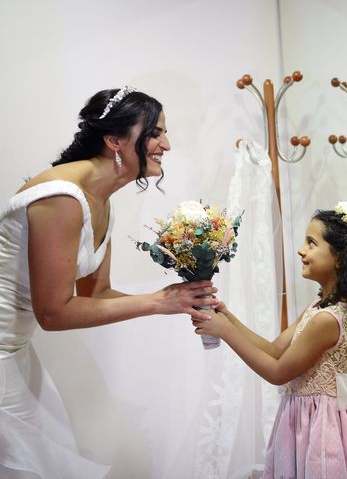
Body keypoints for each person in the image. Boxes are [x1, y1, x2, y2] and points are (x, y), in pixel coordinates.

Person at [0, 87, 215, 478]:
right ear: (113, 140)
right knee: (32, 463)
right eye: (154, 132)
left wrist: (176, 300)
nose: (166, 144)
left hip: (15, 347)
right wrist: (156, 301)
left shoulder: (102, 199)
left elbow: (96, 295)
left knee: (44, 455)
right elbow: (53, 313)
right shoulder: (62, 197)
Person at [192, 202, 347, 478]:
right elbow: (274, 350)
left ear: (340, 258)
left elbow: (277, 372)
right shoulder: (320, 307)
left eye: (311, 242)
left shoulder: (327, 320)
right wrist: (228, 316)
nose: (301, 250)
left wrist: (226, 332)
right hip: (302, 418)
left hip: (321, 427)